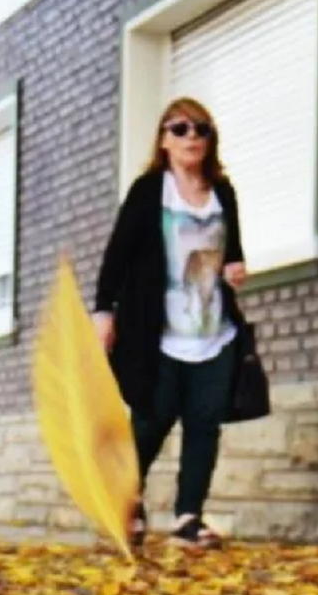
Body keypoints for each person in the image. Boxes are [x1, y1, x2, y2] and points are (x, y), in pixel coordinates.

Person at [93, 97, 248, 551]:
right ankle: (126, 499)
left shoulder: (223, 192)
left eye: (201, 129)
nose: (191, 137)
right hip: (157, 333)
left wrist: (235, 267)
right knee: (151, 419)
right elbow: (117, 255)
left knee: (204, 425)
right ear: (163, 140)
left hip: (213, 331)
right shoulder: (148, 191)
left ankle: (188, 518)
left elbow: (232, 251)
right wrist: (104, 312)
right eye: (179, 129)